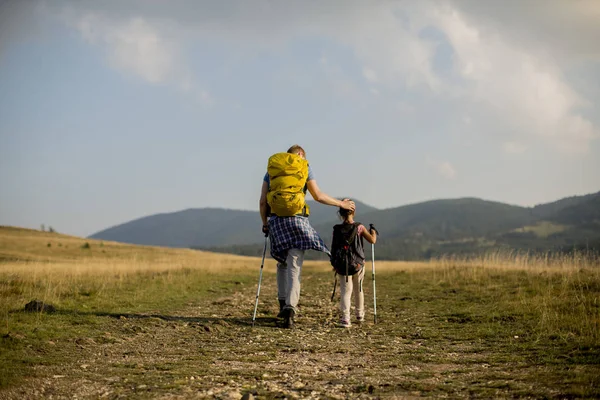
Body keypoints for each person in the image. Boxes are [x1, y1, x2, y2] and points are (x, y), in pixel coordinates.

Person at [260, 145, 355, 328]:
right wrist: (340, 203)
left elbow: (263, 201)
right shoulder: (304, 167)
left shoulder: (272, 171)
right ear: (301, 155)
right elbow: (318, 196)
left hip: (277, 222)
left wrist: (265, 223)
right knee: (294, 264)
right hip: (298, 221)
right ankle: (290, 307)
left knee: (282, 262)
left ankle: (282, 303)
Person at [332, 199, 377, 328]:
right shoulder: (360, 227)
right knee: (359, 289)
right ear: (354, 211)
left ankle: (346, 319)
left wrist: (334, 263)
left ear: (340, 212)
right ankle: (359, 315)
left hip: (342, 265)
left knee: (346, 291)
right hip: (358, 264)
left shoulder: (336, 229)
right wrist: (373, 231)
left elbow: (334, 248)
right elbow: (372, 240)